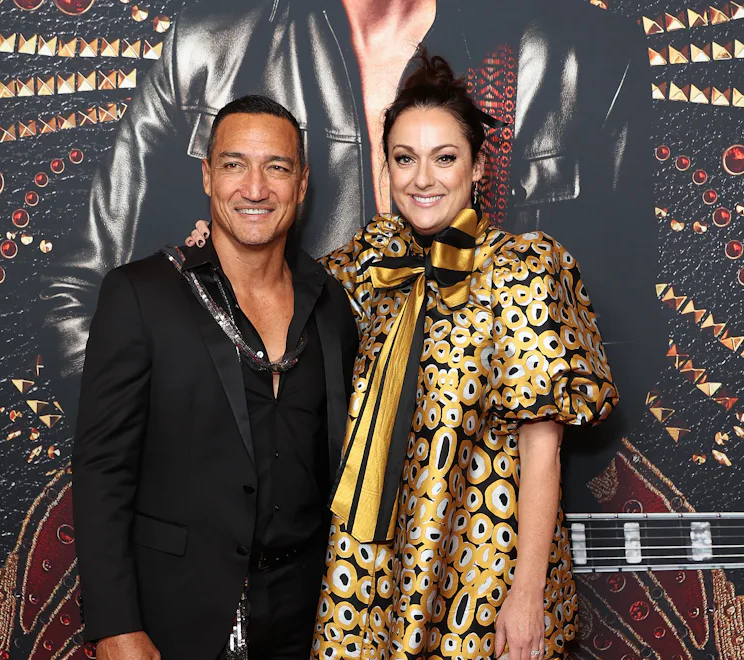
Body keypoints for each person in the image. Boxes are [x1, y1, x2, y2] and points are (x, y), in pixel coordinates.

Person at [41, 2, 663, 480]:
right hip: (282, 527)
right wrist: (205, 457)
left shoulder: (583, 53)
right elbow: (76, 301)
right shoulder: (207, 50)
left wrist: (485, 492)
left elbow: (623, 334)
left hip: (481, 520)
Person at [189, 52, 619, 659]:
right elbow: (275, 283)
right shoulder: (370, 261)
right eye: (404, 159)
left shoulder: (525, 270)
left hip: (478, 564)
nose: (423, 179)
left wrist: (527, 597)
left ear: (478, 167)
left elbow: (542, 452)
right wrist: (219, 241)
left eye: (445, 158)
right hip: (369, 566)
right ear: (385, 168)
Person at [71, 95, 358, 660]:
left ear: (301, 184)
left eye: (276, 167)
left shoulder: (331, 304)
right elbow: (102, 470)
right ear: (207, 175)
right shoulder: (140, 294)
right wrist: (114, 626)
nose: (255, 188)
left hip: (312, 620)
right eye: (234, 164)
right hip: (178, 618)